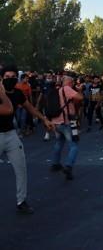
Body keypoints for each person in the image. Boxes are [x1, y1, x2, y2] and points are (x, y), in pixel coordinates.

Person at [0, 65, 55, 214]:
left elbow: (30, 107)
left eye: (12, 77)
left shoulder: (18, 93)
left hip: (11, 134)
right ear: (1, 79)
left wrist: (44, 119)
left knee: (21, 168)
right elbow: (8, 110)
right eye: (7, 77)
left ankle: (21, 200)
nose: (10, 79)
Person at [49, 76, 84, 180]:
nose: (73, 83)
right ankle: (68, 166)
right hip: (67, 122)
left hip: (56, 121)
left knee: (59, 142)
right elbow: (80, 98)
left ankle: (55, 163)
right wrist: (80, 90)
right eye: (72, 82)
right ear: (69, 82)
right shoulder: (66, 89)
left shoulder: (58, 90)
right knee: (74, 145)